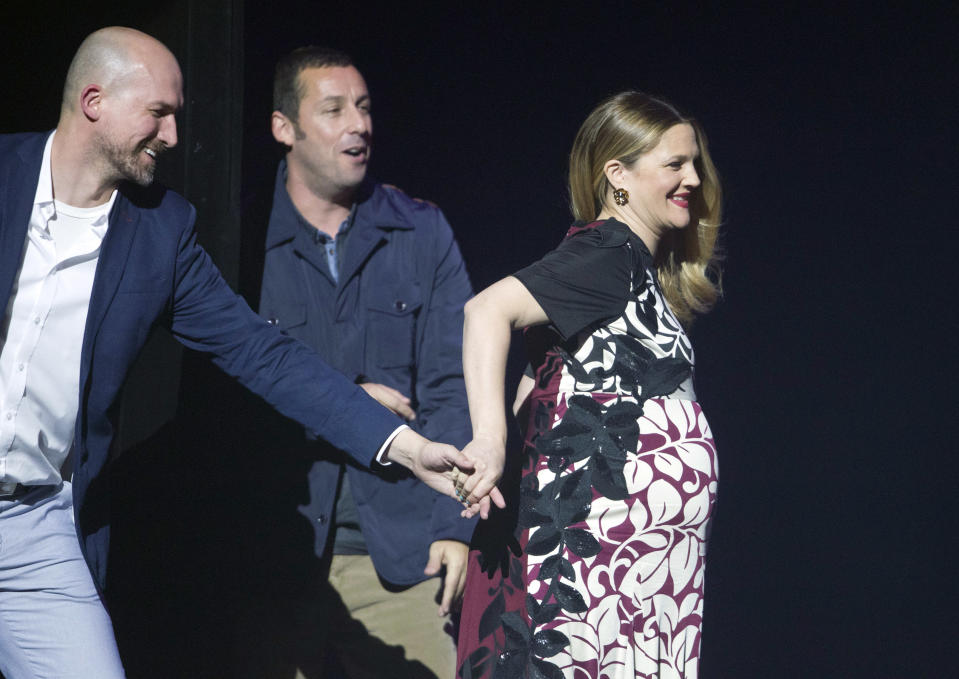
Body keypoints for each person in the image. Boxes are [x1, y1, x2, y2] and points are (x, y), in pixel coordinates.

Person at [0, 27, 492, 679]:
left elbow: (262, 353)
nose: (174, 136)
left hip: (33, 526)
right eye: (159, 113)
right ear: (95, 101)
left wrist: (402, 444)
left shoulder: (159, 231)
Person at [454, 91, 723, 678]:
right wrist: (491, 442)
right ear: (617, 176)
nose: (694, 180)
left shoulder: (631, 267)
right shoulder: (610, 253)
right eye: (675, 164)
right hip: (593, 581)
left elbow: (543, 379)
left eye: (695, 163)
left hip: (636, 584)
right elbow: (485, 312)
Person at [244, 46, 475, 678]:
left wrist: (454, 522)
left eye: (365, 108)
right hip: (276, 556)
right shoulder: (239, 235)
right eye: (335, 109)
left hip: (395, 559)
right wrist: (349, 403)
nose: (359, 125)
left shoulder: (419, 231)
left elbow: (453, 388)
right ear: (283, 127)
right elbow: (227, 393)